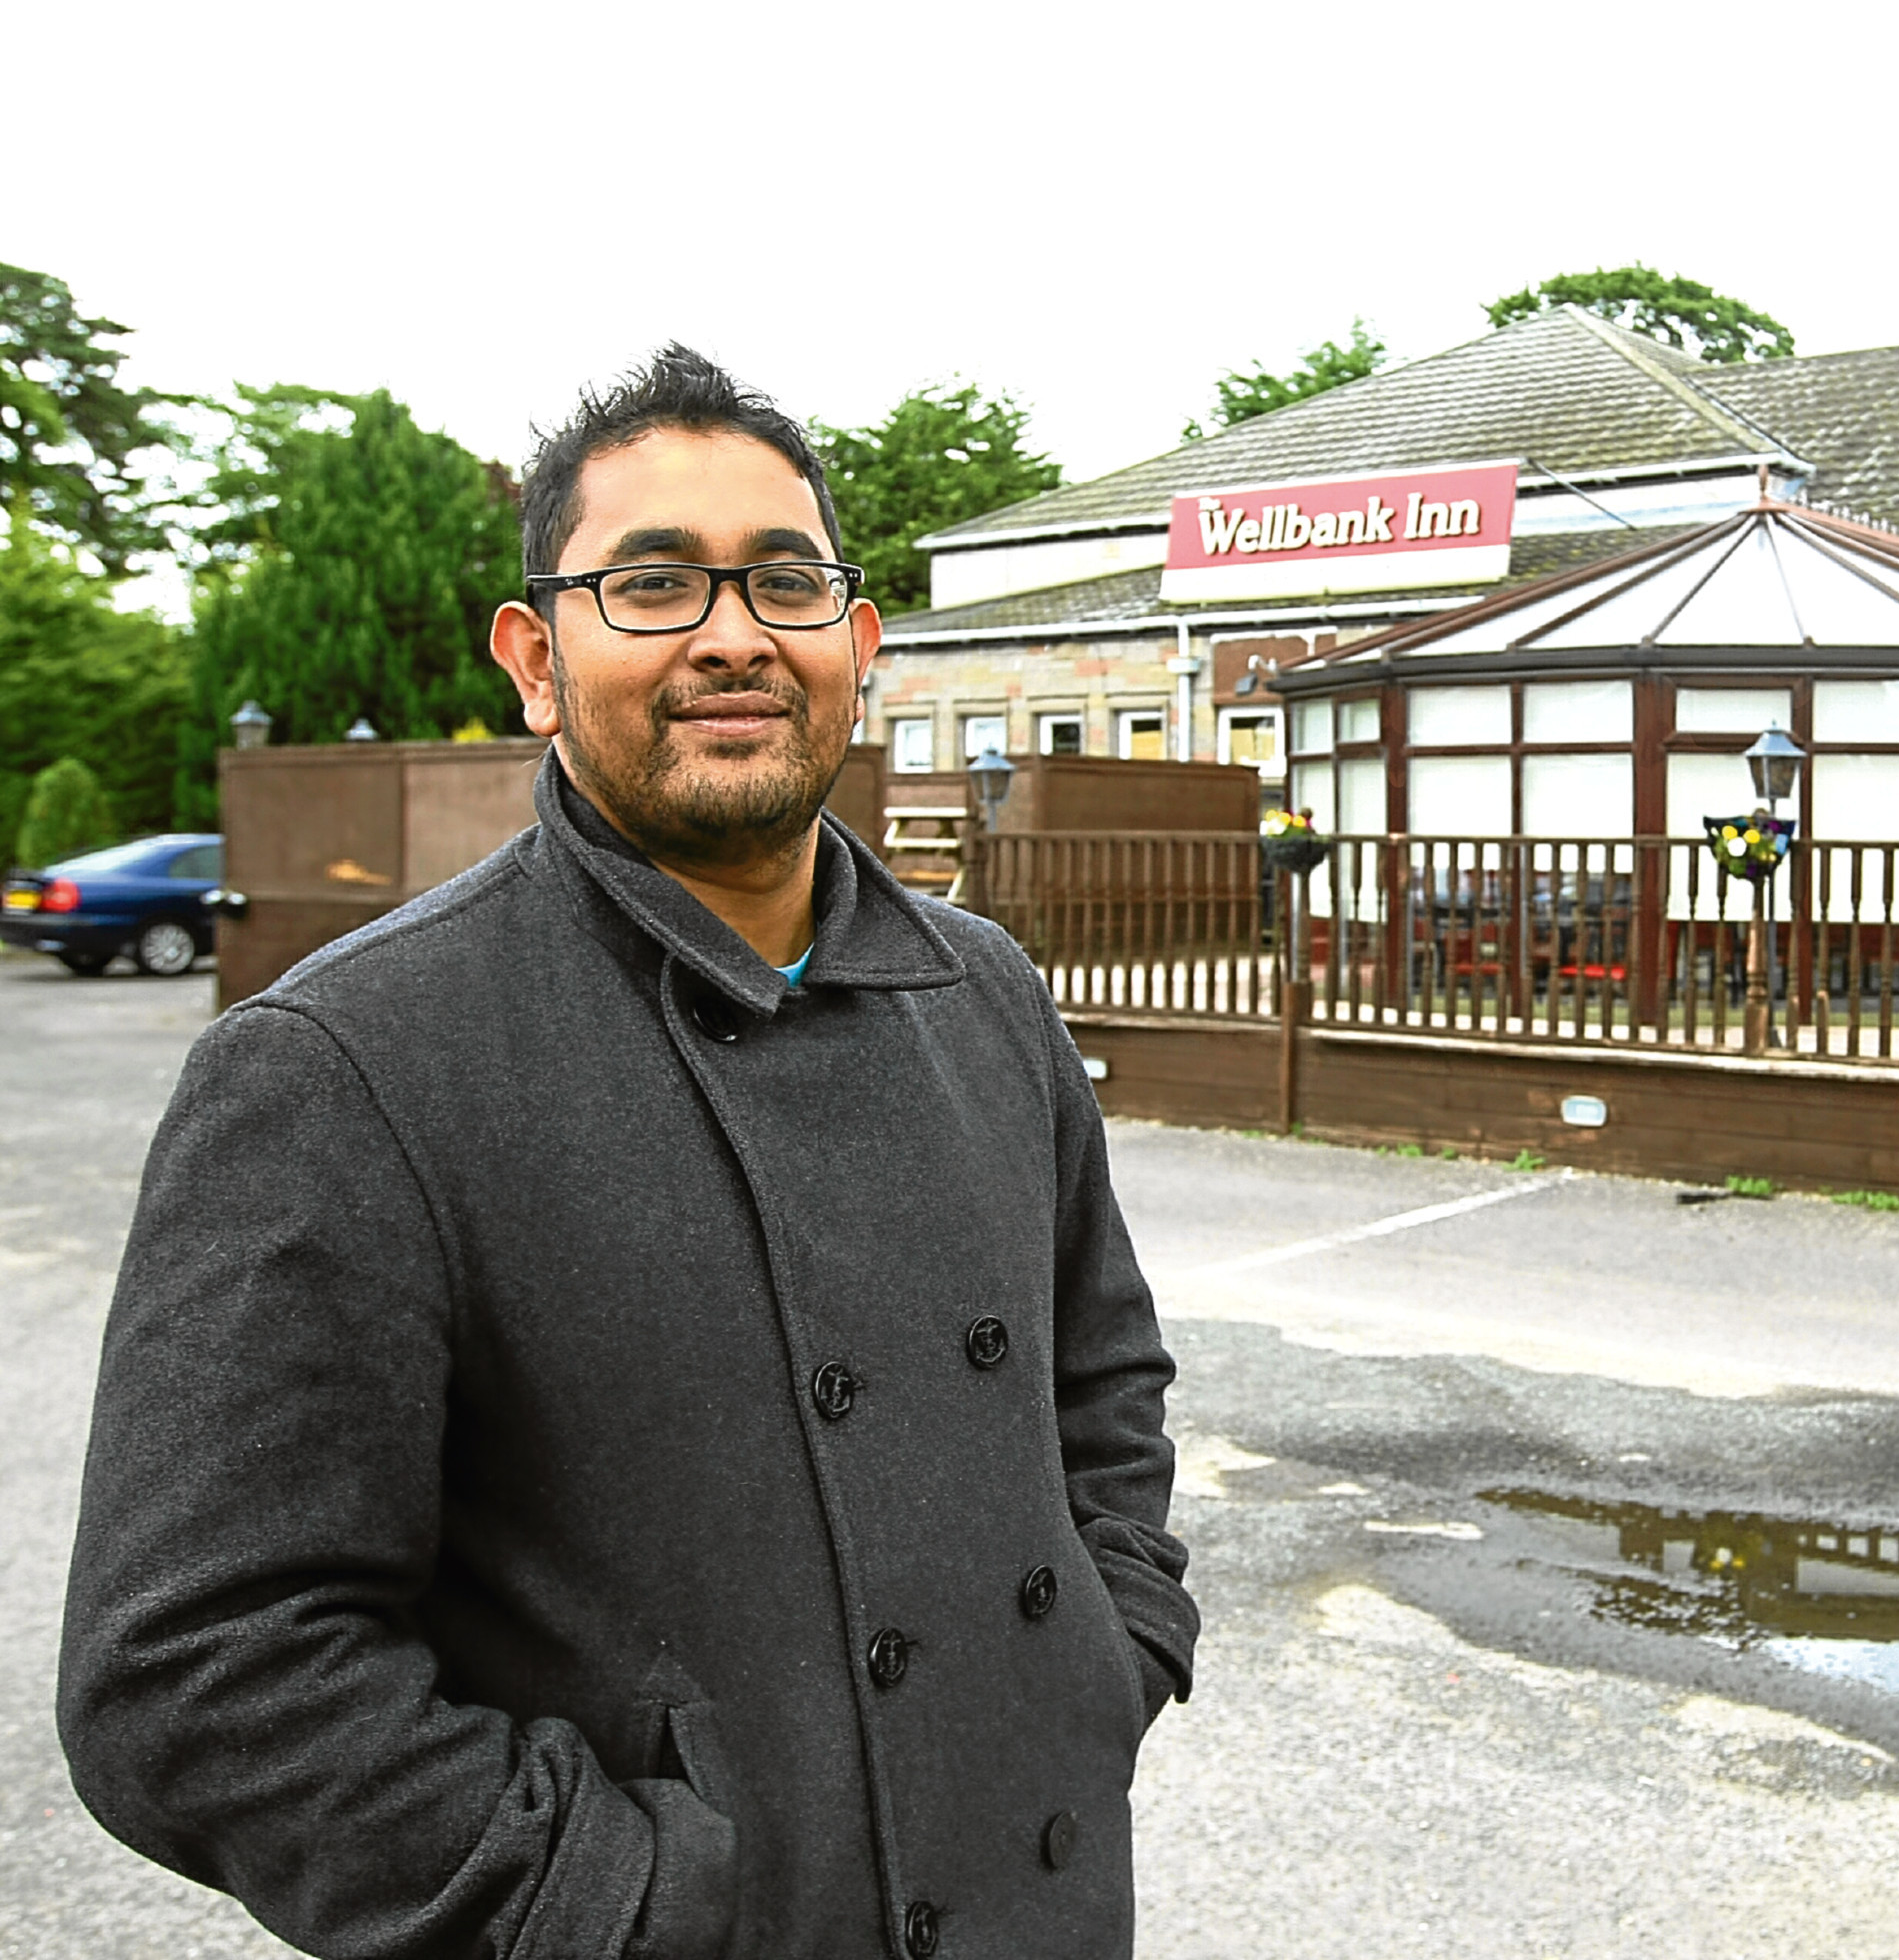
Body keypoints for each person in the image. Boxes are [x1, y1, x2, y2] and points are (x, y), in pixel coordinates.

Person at [60, 346, 1194, 1959]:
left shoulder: (983, 985)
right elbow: (197, 1677)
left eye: (784, 583)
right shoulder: (348, 1064)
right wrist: (624, 1900)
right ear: (535, 655)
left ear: (856, 646)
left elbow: (1101, 1376)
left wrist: (1114, 1642)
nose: (733, 634)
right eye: (653, 583)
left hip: (1049, 1899)